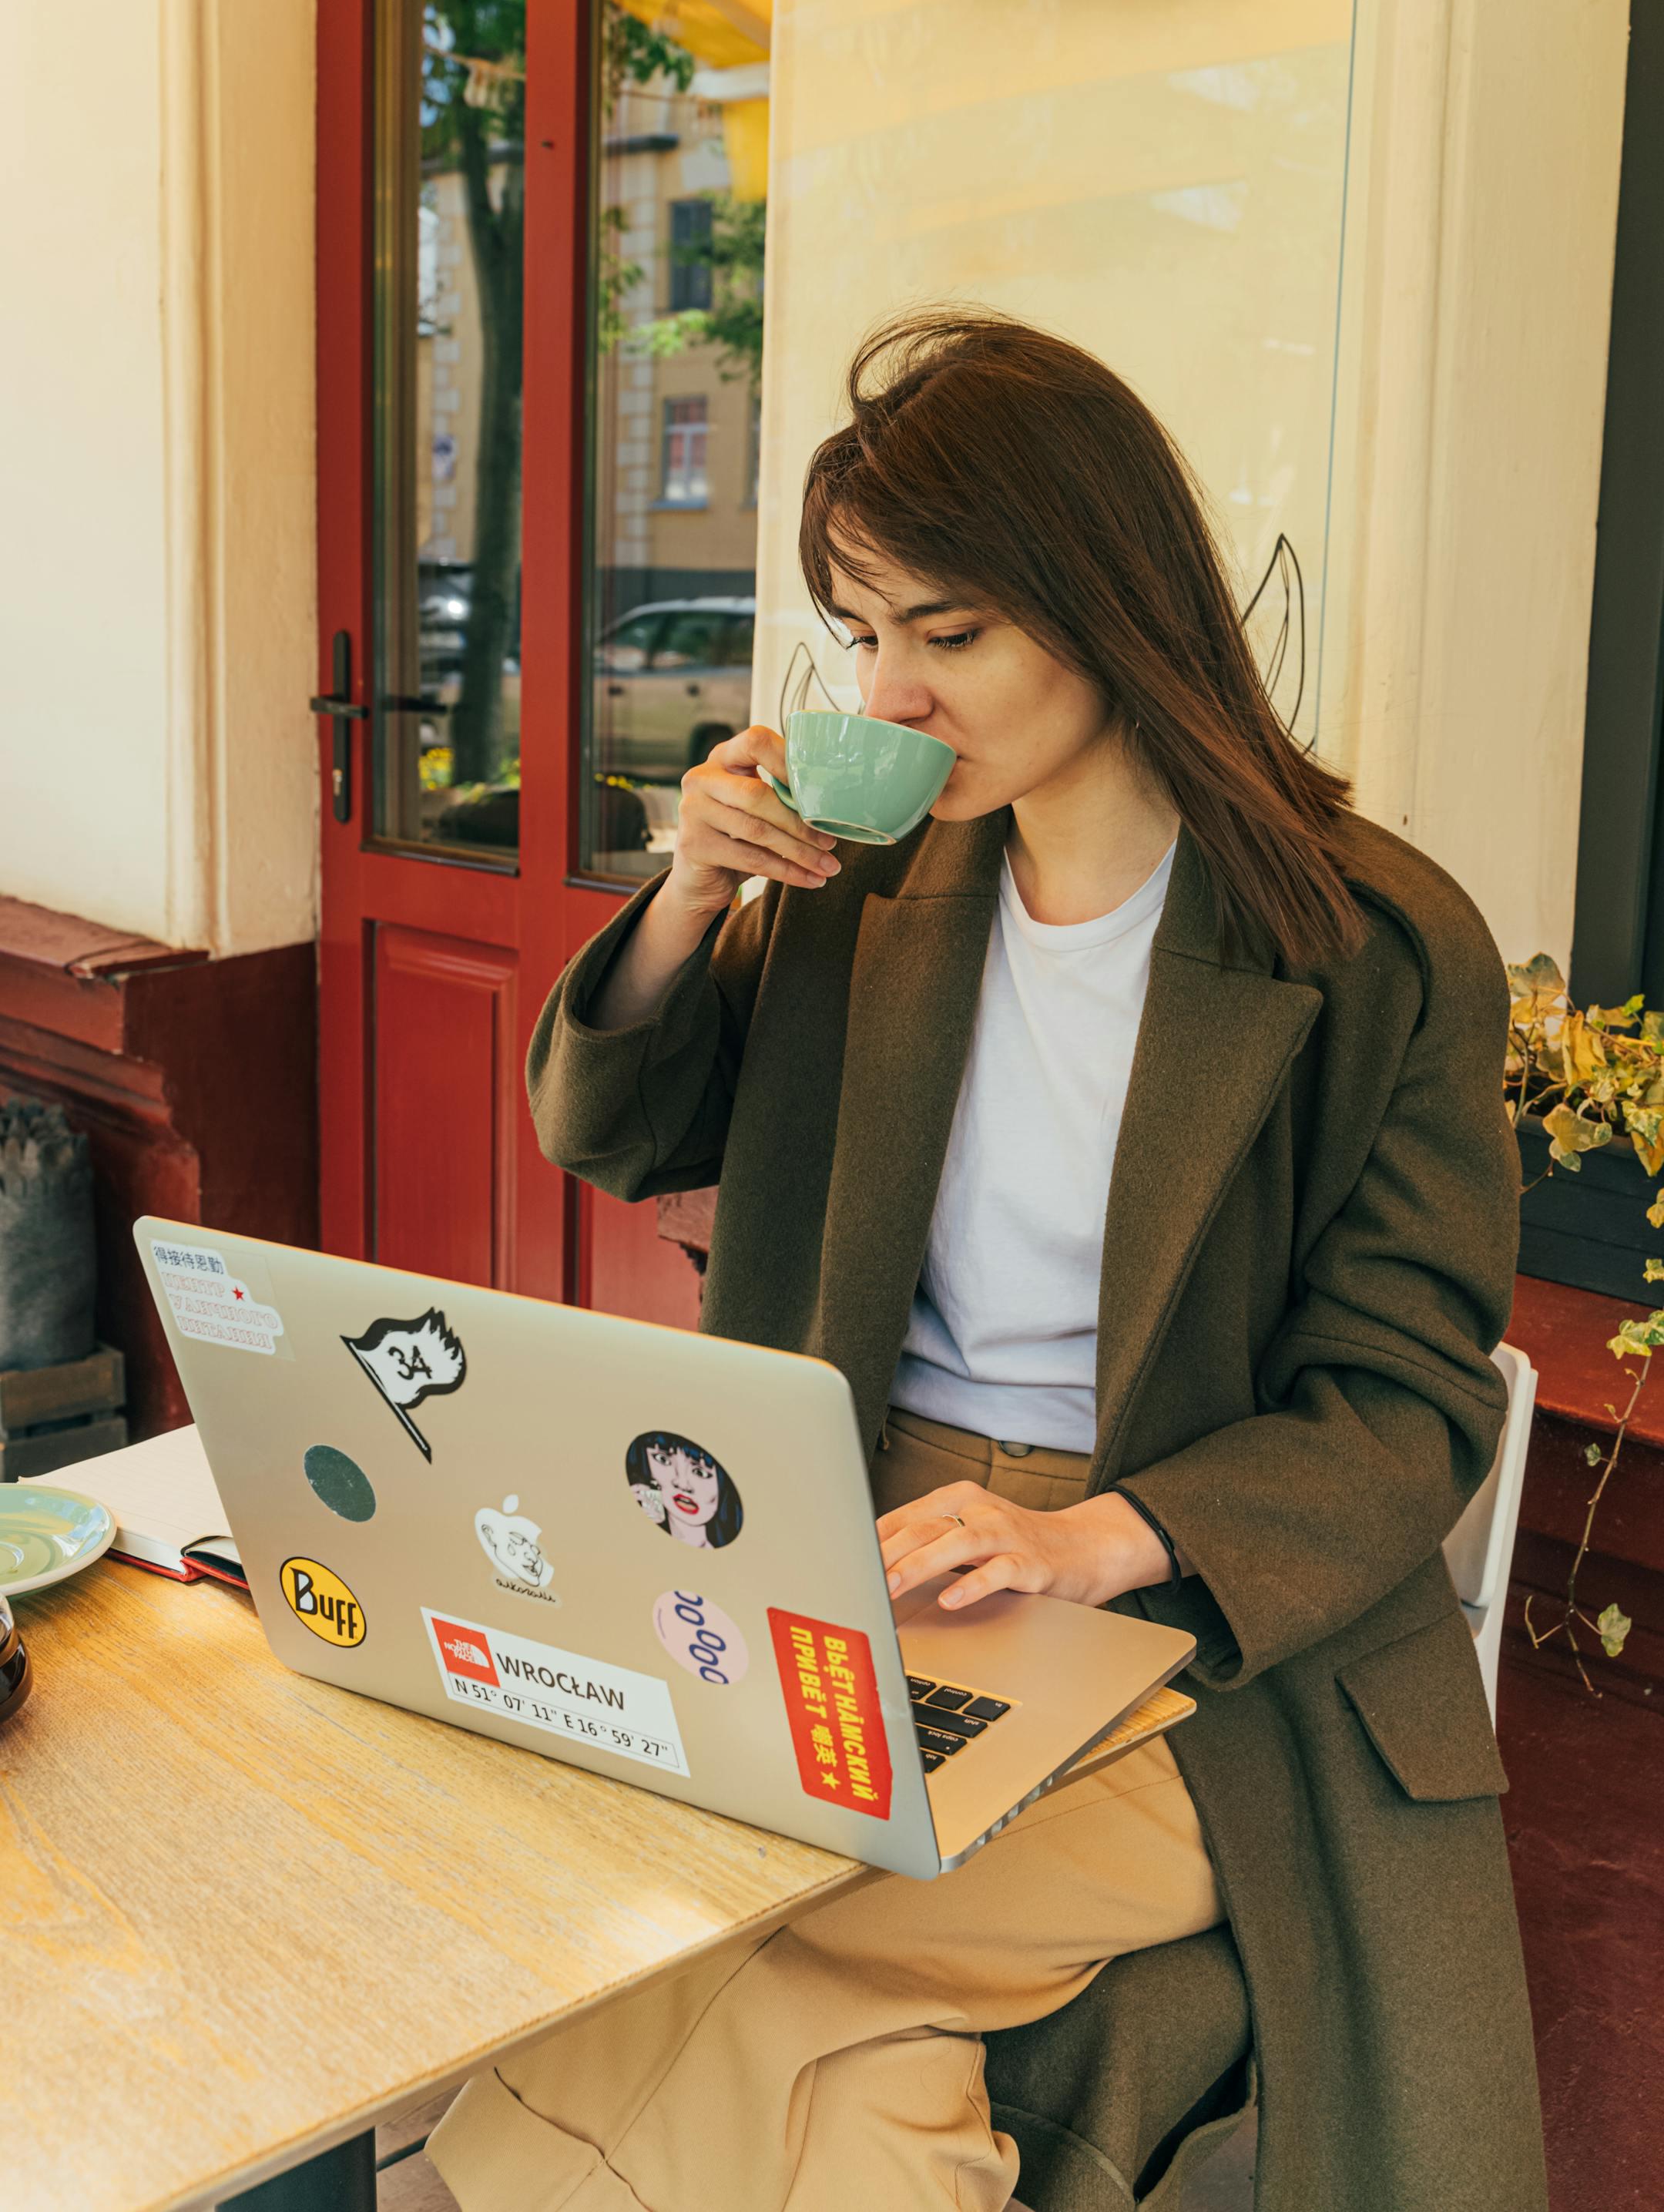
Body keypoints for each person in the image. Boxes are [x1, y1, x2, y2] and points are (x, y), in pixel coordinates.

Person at [428, 313, 1545, 2212]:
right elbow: (614, 1130)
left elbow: (1405, 1403)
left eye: (947, 634)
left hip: (1204, 1643)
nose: (892, 694)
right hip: (857, 1568)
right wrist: (689, 894)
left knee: (724, 1939)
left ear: (1113, 608)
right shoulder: (863, 883)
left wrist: (1099, 1539)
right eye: (862, 634)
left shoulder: (1373, 943)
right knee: (800, 2019)